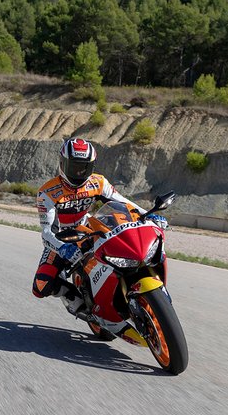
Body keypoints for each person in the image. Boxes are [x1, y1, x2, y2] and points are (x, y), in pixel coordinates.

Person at [32, 138, 167, 328]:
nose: (79, 172)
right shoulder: (48, 192)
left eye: (84, 167)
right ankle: (80, 305)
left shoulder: (98, 182)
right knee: (41, 285)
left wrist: (149, 216)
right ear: (62, 164)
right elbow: (47, 232)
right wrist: (63, 249)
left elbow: (124, 202)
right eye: (74, 167)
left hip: (89, 228)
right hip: (62, 238)